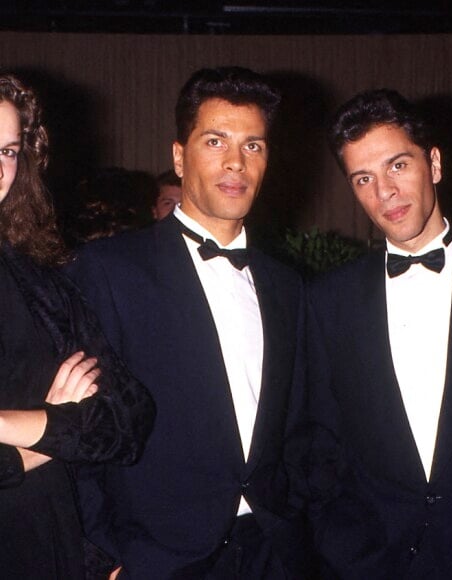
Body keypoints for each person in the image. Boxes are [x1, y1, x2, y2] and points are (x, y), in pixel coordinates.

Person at [68, 67, 313, 579]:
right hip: (156, 557)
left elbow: (299, 424)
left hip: (272, 549)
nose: (235, 162)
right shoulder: (111, 269)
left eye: (253, 145)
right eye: (215, 140)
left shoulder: (288, 286)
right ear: (179, 156)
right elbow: (81, 426)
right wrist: (103, 555)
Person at [307, 89, 452, 578]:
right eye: (364, 178)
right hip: (373, 563)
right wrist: (342, 547)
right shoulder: (327, 301)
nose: (385, 192)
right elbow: (317, 441)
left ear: (435, 164)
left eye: (398, 165)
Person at [0, 74, 155, 578]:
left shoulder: (36, 274)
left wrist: (15, 426)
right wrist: (51, 434)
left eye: (7, 151)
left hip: (55, 547)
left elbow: (126, 418)